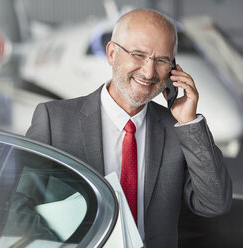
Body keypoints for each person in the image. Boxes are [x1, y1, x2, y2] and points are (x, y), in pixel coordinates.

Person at [25, 8, 232, 248]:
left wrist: (188, 121)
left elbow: (215, 203)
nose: (148, 71)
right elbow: (16, 204)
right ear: (112, 54)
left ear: (173, 69)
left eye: (162, 60)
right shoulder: (54, 121)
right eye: (138, 54)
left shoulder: (179, 130)